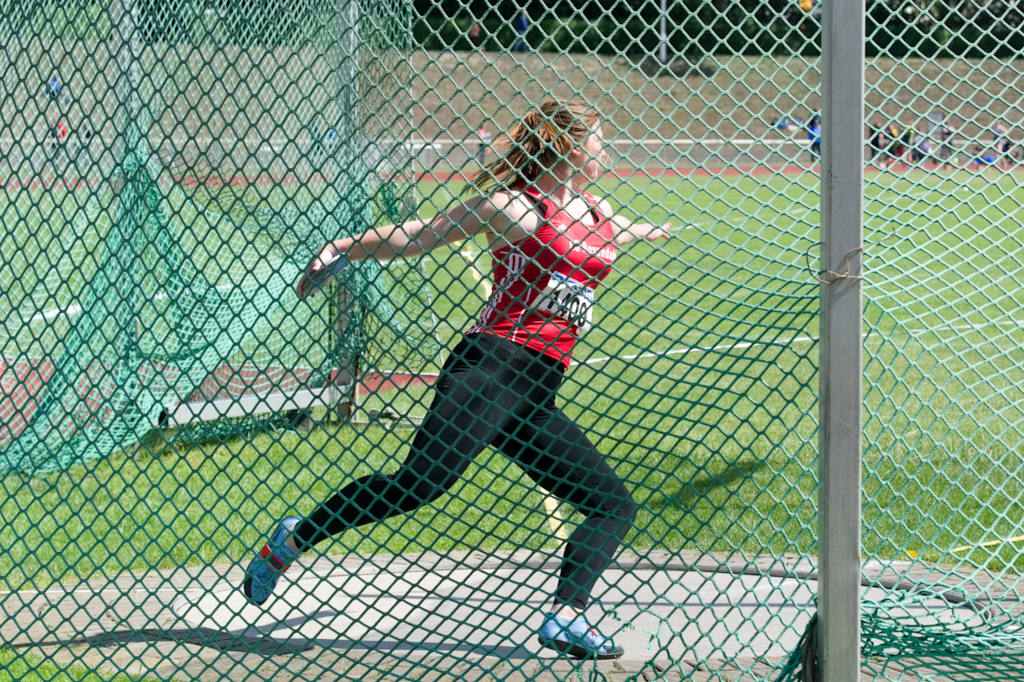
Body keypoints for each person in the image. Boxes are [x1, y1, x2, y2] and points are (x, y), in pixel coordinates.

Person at [242, 99, 672, 660]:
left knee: (612, 504)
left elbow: (616, 235)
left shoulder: (597, 212)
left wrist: (653, 229)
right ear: (568, 146)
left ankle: (566, 617)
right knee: (416, 488)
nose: (605, 151)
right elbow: (419, 236)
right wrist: (343, 248)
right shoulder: (516, 209)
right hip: (490, 371)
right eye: (597, 139)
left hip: (536, 392)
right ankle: (292, 540)